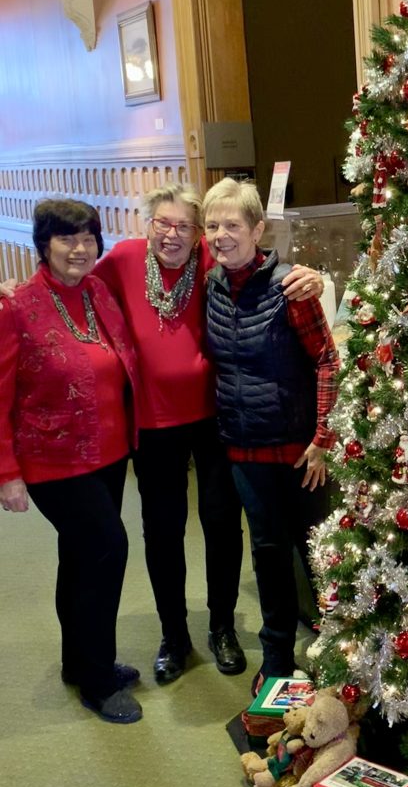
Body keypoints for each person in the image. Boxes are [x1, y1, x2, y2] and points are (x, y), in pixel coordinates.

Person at [93, 183, 324, 684]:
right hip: (152, 426)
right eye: (162, 224)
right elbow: (76, 285)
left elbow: (255, 255)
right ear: (147, 224)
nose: (173, 234)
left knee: (222, 526)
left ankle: (221, 627)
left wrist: (315, 277)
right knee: (163, 530)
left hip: (213, 419)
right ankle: (174, 634)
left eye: (184, 226)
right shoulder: (124, 260)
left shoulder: (208, 254)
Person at [0, 200, 143, 724]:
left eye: (87, 237)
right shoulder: (17, 307)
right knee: (108, 549)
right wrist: (7, 474)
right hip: (52, 460)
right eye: (66, 239)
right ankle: (97, 680)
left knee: (80, 556)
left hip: (107, 453)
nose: (79, 248)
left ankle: (76, 661)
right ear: (43, 245)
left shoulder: (98, 292)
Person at [202, 178, 340, 696]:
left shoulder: (291, 287)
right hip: (243, 448)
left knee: (317, 551)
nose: (221, 235)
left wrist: (323, 438)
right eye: (212, 225)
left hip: (301, 451)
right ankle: (277, 651)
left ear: (258, 228)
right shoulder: (212, 284)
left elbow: (327, 360)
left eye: (232, 225)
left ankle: (340, 648)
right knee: (267, 553)